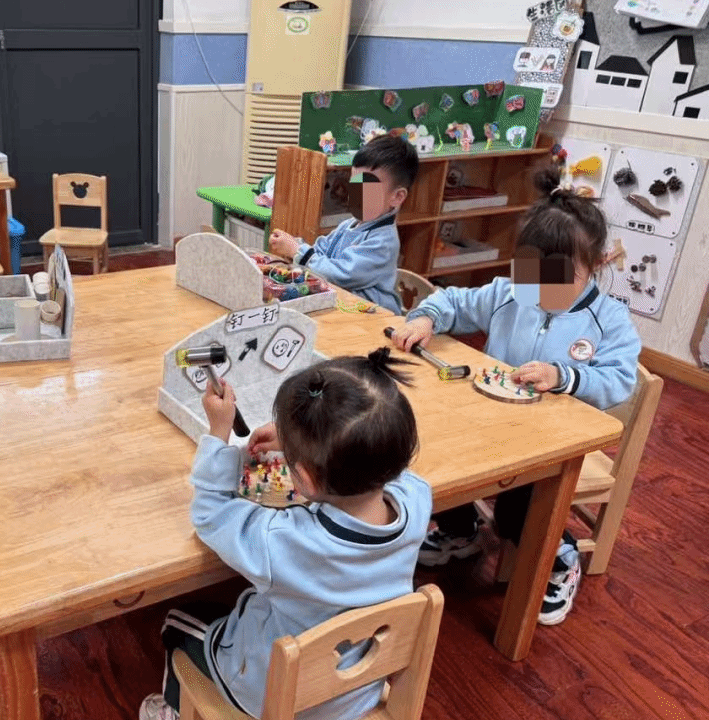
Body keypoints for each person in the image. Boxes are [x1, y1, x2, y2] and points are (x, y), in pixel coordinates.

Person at [391, 166, 641, 625]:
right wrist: (426, 317)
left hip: (554, 444)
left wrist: (564, 376)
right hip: (488, 426)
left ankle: (560, 558)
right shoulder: (511, 293)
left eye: (558, 277)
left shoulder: (609, 321)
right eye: (532, 272)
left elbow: (620, 380)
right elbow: (453, 301)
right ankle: (461, 529)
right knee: (440, 454)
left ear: (595, 265)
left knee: (516, 514)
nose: (541, 287)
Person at [140, 348, 431, 720]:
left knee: (177, 622)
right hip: (355, 696)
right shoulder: (417, 500)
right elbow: (384, 459)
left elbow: (210, 514)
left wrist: (218, 432)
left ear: (305, 478)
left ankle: (172, 711)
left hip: (274, 696)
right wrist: (303, 443)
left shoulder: (282, 542)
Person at [268, 134, 419, 314]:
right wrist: (295, 245)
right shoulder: (349, 224)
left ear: (397, 197)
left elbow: (342, 274)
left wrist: (297, 252)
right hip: (345, 306)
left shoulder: (384, 241)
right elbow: (320, 250)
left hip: (373, 317)